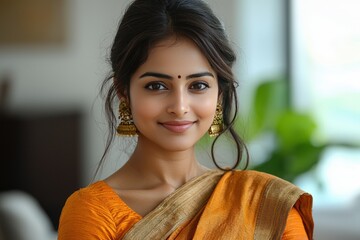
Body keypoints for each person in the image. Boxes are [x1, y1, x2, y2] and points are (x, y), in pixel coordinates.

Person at [58, 0, 314, 239]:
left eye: (199, 85)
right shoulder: (92, 212)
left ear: (220, 93)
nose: (179, 107)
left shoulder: (267, 205)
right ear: (124, 90)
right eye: (156, 86)